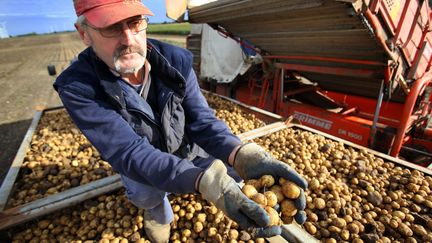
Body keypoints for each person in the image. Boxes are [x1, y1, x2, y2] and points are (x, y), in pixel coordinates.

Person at [54, 0, 308, 242]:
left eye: (135, 22)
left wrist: (241, 153)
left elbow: (202, 121)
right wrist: (203, 181)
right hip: (142, 165)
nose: (129, 39)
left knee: (232, 173)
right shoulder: (78, 87)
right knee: (145, 193)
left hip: (188, 149)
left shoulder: (175, 61)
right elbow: (129, 151)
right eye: (111, 27)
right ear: (84, 33)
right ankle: (159, 212)